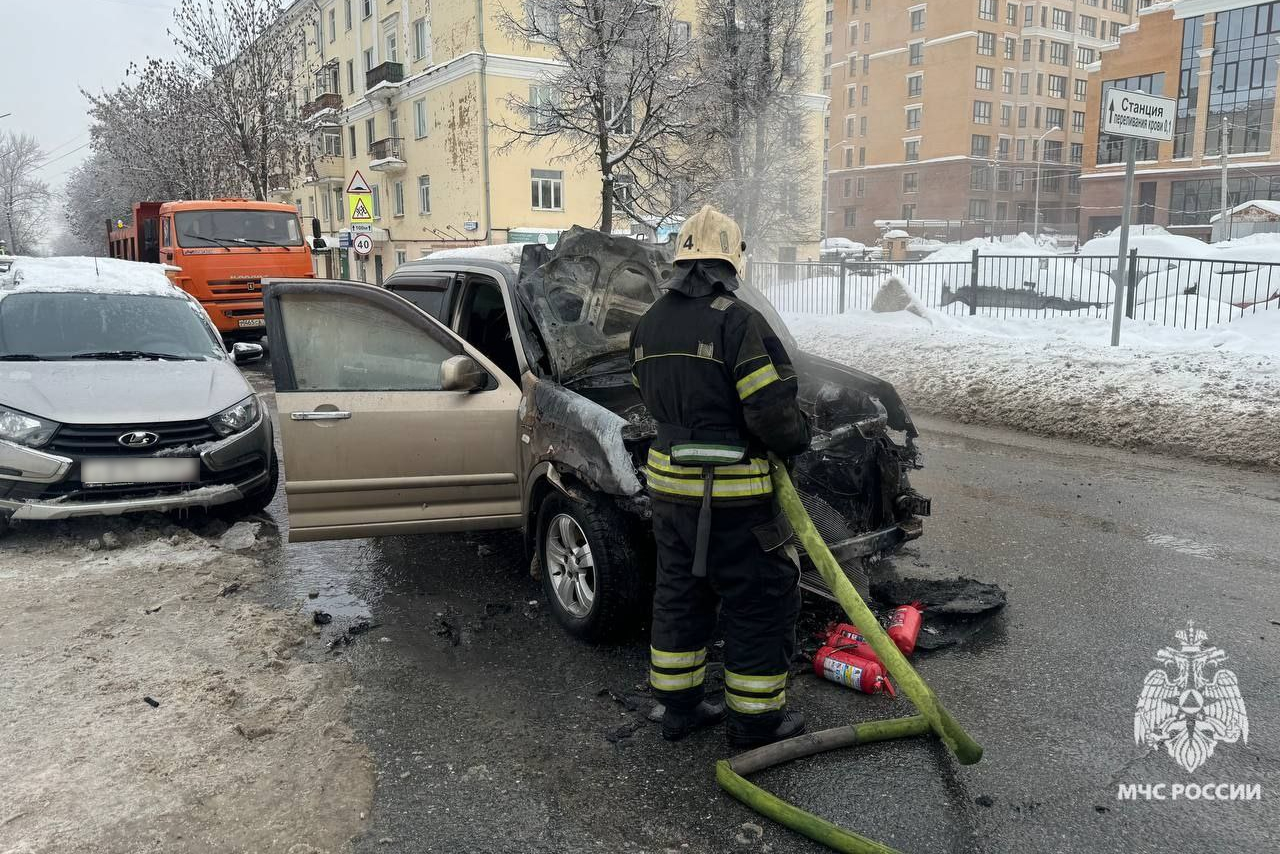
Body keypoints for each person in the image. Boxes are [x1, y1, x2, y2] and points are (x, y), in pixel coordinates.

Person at [630, 205, 812, 749]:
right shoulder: (737, 320)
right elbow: (768, 410)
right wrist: (798, 436)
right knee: (760, 601)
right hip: (737, 496)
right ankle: (755, 724)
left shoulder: (648, 321)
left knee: (680, 595)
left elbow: (647, 393)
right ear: (733, 263)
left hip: (670, 493)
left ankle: (679, 709)